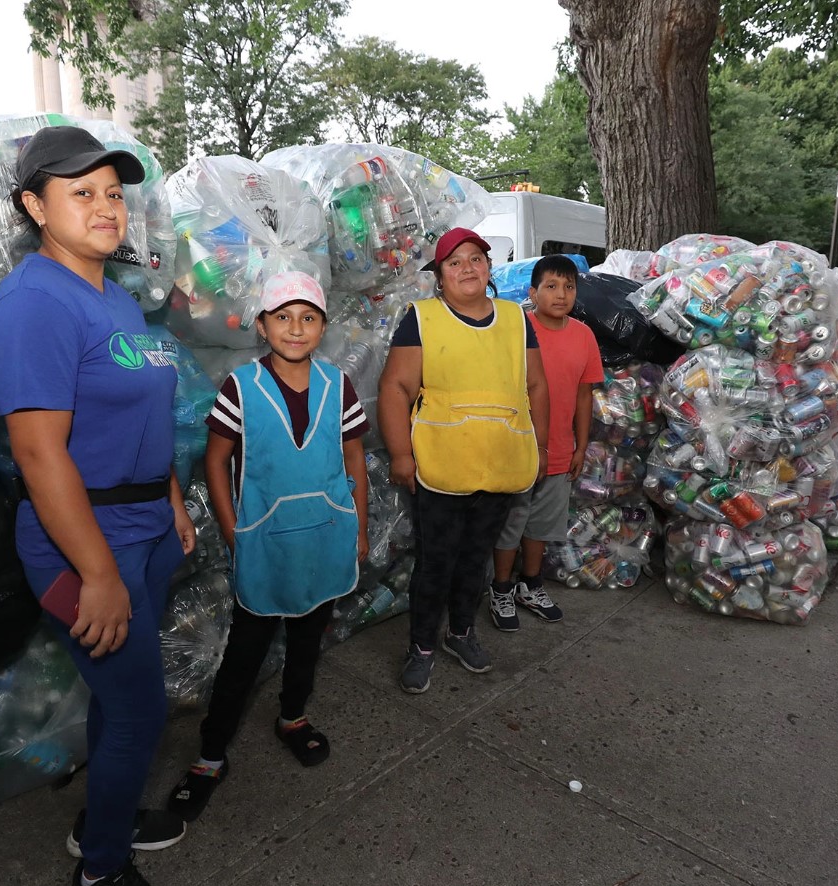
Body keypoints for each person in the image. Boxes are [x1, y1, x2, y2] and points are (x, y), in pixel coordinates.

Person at [0, 125, 191, 886]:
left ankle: (107, 813)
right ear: (34, 206)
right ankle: (98, 871)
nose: (105, 207)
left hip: (140, 525)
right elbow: (37, 451)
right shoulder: (33, 304)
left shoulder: (110, 294)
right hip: (83, 543)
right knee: (139, 709)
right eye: (80, 193)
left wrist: (168, 497)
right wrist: (96, 572)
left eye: (112, 192)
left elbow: (142, 405)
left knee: (117, 700)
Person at [166, 272, 369, 821]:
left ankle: (293, 717)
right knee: (244, 653)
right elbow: (215, 460)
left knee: (308, 641)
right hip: (266, 543)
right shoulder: (242, 387)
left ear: (322, 327)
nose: (295, 328)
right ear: (262, 325)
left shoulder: (337, 386)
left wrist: (361, 527)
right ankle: (211, 754)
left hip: (327, 538)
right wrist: (234, 530)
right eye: (282, 317)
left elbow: (354, 462)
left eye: (308, 318)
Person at [377, 228, 549, 695]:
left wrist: (542, 447)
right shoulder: (422, 318)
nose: (467, 267)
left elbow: (535, 386)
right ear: (440, 277)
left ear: (489, 268)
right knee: (436, 561)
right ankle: (422, 647)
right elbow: (395, 388)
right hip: (441, 467)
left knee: (476, 559)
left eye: (476, 258)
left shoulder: (516, 318)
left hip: (501, 464)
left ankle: (460, 633)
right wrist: (400, 454)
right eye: (455, 262)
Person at [489, 255, 604, 629]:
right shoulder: (516, 329)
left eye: (569, 287)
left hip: (558, 449)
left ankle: (530, 585)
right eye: (551, 286)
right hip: (518, 447)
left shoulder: (584, 335)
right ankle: (501, 588)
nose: (561, 294)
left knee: (540, 526)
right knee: (511, 523)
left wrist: (580, 446)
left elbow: (584, 396)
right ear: (532, 292)